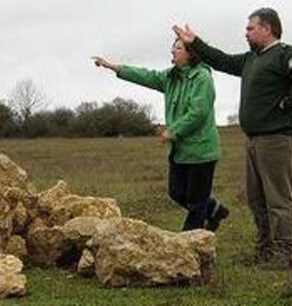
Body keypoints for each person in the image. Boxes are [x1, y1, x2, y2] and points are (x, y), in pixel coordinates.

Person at [173, 8, 292, 269]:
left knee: (278, 199)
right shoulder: (252, 59)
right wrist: (196, 43)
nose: (246, 32)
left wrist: (289, 103)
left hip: (276, 139)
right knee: (256, 199)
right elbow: (222, 60)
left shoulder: (284, 54)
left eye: (251, 28)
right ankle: (265, 250)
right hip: (253, 139)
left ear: (267, 29)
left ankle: (284, 254)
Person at [92, 38, 229, 232]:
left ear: (191, 53)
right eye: (173, 47)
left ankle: (189, 246)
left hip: (201, 151)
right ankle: (215, 210)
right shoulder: (171, 77)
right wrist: (114, 67)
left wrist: (173, 131)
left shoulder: (202, 78)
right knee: (176, 193)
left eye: (178, 48)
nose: (173, 51)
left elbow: (198, 112)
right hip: (180, 151)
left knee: (196, 203)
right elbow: (145, 75)